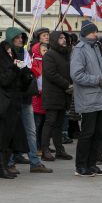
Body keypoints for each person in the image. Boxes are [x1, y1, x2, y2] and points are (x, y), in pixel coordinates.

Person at [6, 27, 53, 173]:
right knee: (12, 132)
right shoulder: (6, 52)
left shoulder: (25, 53)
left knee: (31, 131)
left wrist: (23, 70)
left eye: (21, 37)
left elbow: (28, 70)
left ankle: (35, 162)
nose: (20, 40)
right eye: (17, 37)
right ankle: (9, 162)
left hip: (25, 97)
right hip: (12, 99)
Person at [70, 21, 102, 177]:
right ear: (85, 33)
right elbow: (76, 75)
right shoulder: (79, 50)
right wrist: (98, 80)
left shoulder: (97, 47)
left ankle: (92, 164)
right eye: (93, 32)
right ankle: (81, 166)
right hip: (88, 99)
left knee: (98, 133)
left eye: (96, 31)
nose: (96, 34)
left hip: (101, 98)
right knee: (87, 134)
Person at [0, 41, 29, 179]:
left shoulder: (13, 67)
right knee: (1, 139)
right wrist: (15, 69)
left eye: (11, 52)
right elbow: (4, 81)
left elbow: (22, 87)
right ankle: (2, 167)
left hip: (14, 108)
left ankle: (5, 166)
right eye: (7, 53)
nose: (10, 55)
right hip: (2, 109)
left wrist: (26, 74)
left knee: (11, 139)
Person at [40, 31, 73, 162]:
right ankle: (45, 149)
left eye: (64, 37)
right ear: (54, 40)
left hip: (63, 95)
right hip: (53, 94)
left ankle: (59, 150)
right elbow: (51, 74)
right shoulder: (49, 55)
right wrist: (67, 85)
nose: (64, 40)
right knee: (50, 122)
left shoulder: (65, 54)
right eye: (60, 38)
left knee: (59, 124)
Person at [31, 42, 48, 152]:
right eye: (43, 51)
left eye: (47, 51)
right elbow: (39, 79)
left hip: (45, 98)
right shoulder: (34, 62)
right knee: (37, 125)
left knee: (43, 125)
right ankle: (35, 146)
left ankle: (43, 145)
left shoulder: (47, 61)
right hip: (37, 98)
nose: (45, 53)